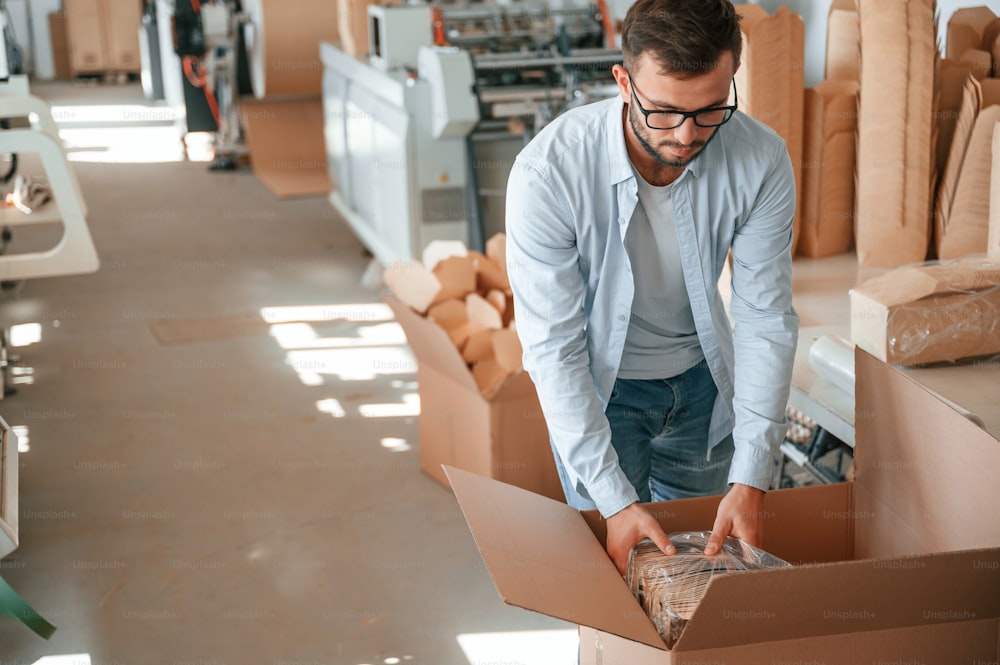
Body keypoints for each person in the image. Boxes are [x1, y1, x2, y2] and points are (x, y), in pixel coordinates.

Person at [505, 0, 798, 575]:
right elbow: (554, 351)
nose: (688, 135)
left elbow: (765, 316)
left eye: (711, 109)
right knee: (612, 592)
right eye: (664, 111)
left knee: (702, 583)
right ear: (622, 81)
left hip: (704, 393)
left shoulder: (760, 159)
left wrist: (752, 474)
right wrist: (613, 502)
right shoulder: (548, 174)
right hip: (602, 400)